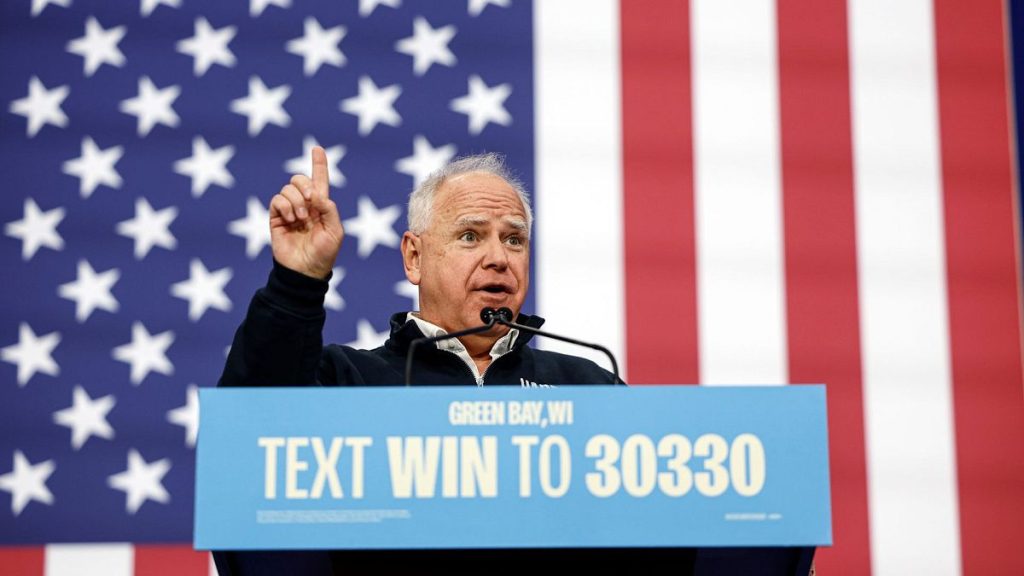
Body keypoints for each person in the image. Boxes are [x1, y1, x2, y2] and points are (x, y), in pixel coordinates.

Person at [219, 146, 619, 388]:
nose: (499, 258)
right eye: (470, 236)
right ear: (414, 257)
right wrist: (296, 283)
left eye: (514, 239)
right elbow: (253, 427)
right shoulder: (352, 380)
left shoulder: (587, 388)